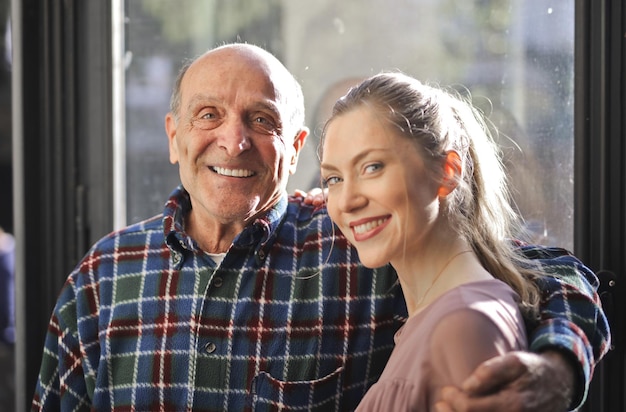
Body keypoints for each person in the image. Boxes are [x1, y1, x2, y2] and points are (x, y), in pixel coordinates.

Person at [31, 43, 609, 411]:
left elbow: (545, 274)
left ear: (296, 146)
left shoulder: (358, 242)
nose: (234, 141)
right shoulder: (104, 276)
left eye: (262, 120)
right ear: (174, 135)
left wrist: (558, 367)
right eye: (209, 115)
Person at [319, 72, 573, 410]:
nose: (347, 200)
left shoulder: (464, 324)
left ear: (447, 171)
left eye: (372, 167)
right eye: (333, 178)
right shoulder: (436, 318)